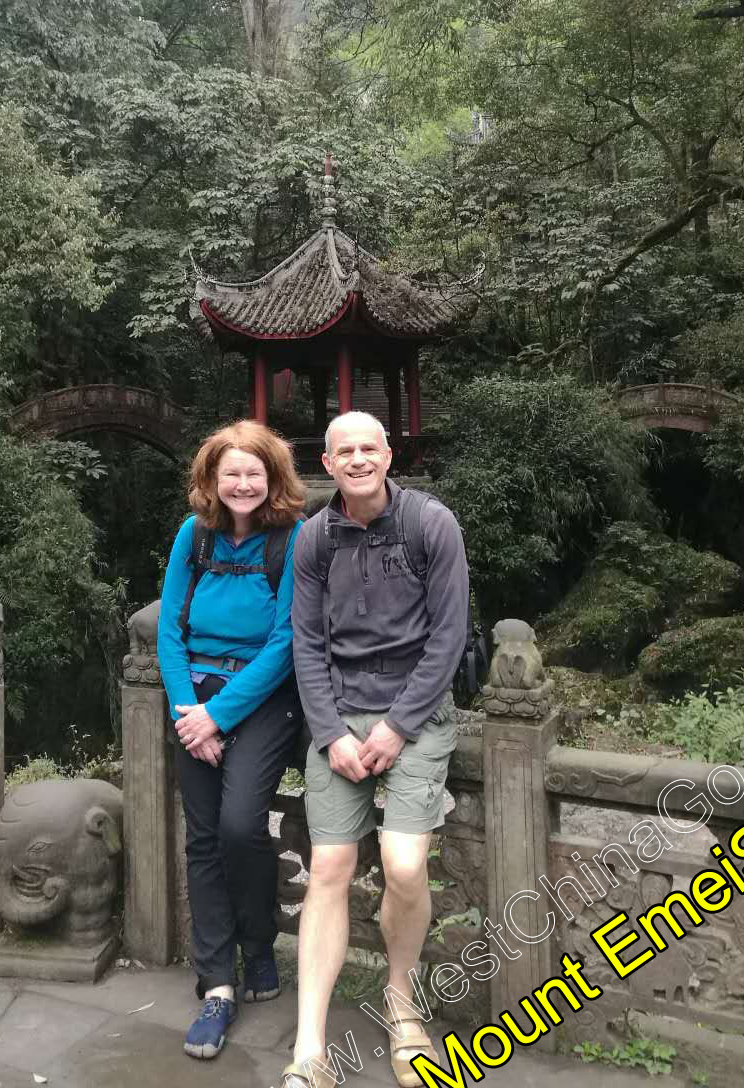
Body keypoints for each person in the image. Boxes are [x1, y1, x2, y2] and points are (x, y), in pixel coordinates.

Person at [282, 412, 469, 1088]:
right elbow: (306, 642)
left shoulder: (430, 525)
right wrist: (330, 731)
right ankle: (310, 1046)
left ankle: (402, 1005)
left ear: (389, 456)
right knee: (328, 866)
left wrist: (395, 728)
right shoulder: (314, 539)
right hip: (339, 715)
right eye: (345, 451)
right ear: (327, 464)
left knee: (403, 862)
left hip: (415, 715)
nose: (358, 459)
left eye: (370, 448)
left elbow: (449, 637)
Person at [156, 420, 306, 1061]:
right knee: (204, 838)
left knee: (243, 825)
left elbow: (288, 639)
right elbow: (168, 628)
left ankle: (258, 945)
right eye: (230, 473)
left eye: (254, 472)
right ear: (210, 481)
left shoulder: (291, 540)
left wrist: (219, 716)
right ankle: (218, 983)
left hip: (264, 700)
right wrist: (190, 713)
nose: (242, 483)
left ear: (272, 479)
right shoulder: (194, 536)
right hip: (195, 698)